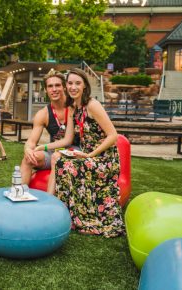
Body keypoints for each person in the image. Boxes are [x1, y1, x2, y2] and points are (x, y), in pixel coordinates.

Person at [35, 68, 125, 238]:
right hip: (86, 154)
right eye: (70, 83)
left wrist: (91, 155)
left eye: (78, 83)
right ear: (66, 85)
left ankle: (78, 214)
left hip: (104, 158)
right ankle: (52, 205)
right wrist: (43, 147)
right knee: (56, 157)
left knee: (66, 165)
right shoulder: (72, 107)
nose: (73, 87)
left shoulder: (92, 105)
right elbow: (67, 140)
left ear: (85, 86)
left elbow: (113, 135)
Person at [20, 69, 69, 185]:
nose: (54, 89)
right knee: (28, 159)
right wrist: (28, 149)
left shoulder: (74, 107)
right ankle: (19, 195)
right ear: (46, 90)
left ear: (64, 87)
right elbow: (31, 141)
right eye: (50, 86)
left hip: (76, 151)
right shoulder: (43, 114)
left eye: (58, 85)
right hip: (54, 153)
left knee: (57, 157)